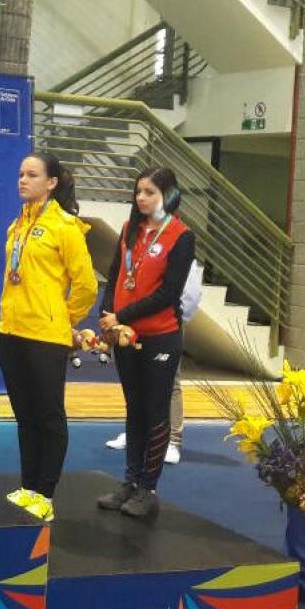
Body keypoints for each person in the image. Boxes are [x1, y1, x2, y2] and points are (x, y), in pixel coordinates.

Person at [0, 152, 97, 522]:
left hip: (46, 336)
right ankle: (27, 486)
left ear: (51, 183)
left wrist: (62, 319)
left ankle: (45, 493)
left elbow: (86, 285)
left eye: (32, 174)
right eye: (21, 173)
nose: (23, 180)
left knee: (49, 415)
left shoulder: (66, 227)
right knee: (25, 415)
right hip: (11, 331)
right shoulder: (17, 225)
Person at [96, 167, 196, 518]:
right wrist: (107, 313)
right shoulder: (129, 229)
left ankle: (148, 488)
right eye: (138, 191)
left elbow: (168, 294)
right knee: (133, 408)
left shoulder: (181, 236)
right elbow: (114, 275)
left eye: (150, 192)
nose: (141, 198)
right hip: (124, 333)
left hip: (160, 336)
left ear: (167, 195)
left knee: (155, 412)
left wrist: (123, 315)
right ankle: (130, 481)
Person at [104, 257, 203, 463]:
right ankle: (137, 434)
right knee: (136, 378)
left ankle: (173, 440)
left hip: (165, 325)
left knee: (169, 381)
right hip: (133, 322)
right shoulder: (138, 247)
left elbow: (191, 295)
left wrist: (173, 319)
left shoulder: (178, 245)